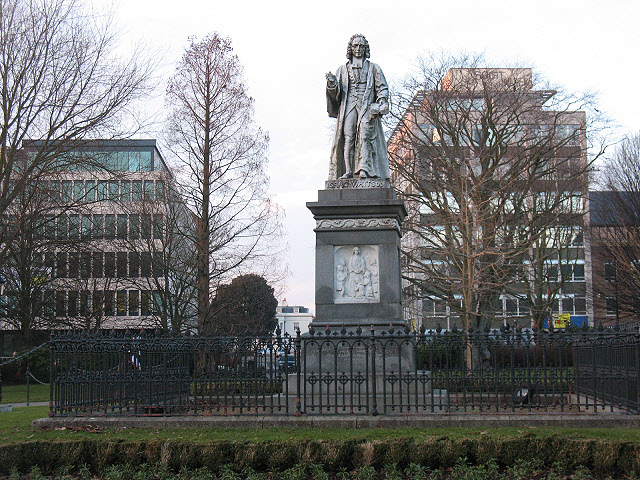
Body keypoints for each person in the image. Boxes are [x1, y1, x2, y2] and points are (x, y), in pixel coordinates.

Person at [326, 34, 390, 180]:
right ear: (350, 48)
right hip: (349, 106)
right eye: (355, 45)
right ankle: (348, 171)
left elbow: (382, 88)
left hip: (366, 106)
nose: (358, 49)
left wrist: (382, 100)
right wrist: (331, 84)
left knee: (365, 136)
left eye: (361, 46)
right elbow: (336, 93)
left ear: (365, 48)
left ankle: (364, 170)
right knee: (348, 138)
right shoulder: (342, 69)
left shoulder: (374, 68)